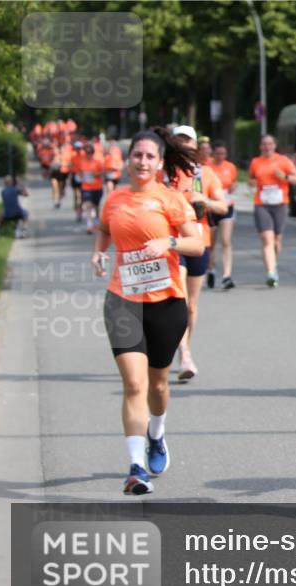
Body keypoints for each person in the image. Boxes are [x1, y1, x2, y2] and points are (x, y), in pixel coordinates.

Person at [90, 127, 206, 495]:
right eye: (137, 155)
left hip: (166, 304)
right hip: (122, 301)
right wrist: (98, 252)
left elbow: (197, 244)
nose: (142, 161)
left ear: (159, 163)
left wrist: (168, 242)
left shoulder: (171, 199)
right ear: (128, 160)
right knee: (134, 384)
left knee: (157, 384)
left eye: (149, 156)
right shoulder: (114, 199)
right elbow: (104, 228)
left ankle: (157, 434)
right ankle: (136, 468)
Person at [168, 125, 228, 381]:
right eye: (179, 140)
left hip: (199, 241)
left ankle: (186, 348)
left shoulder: (205, 173)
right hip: (174, 241)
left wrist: (205, 201)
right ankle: (184, 355)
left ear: (195, 145)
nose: (184, 145)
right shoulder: (164, 172)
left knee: (192, 306)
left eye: (188, 140)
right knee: (180, 300)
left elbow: (223, 206)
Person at [248, 134, 296, 287]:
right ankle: (271, 273)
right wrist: (254, 182)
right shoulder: (256, 162)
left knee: (277, 241)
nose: (267, 147)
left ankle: (273, 264)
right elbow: (250, 180)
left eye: (270, 144)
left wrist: (284, 176)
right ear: (260, 146)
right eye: (264, 144)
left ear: (274, 146)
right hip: (262, 204)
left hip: (280, 204)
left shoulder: (283, 160)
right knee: (267, 239)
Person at [206, 140, 238, 289]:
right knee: (211, 244)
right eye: (218, 154)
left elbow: (233, 182)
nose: (220, 156)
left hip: (227, 206)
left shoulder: (230, 167)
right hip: (211, 208)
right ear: (213, 153)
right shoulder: (207, 167)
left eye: (223, 154)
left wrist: (233, 187)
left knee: (226, 240)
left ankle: (227, 275)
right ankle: (211, 269)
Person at [75, 143, 106, 234]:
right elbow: (78, 172)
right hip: (86, 187)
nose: (88, 154)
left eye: (90, 152)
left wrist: (96, 174)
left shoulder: (97, 162)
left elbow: (103, 173)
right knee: (88, 205)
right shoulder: (81, 162)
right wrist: (80, 176)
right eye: (87, 152)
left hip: (97, 187)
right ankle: (89, 224)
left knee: (96, 206)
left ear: (93, 153)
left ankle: (96, 220)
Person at [50, 134, 73, 209]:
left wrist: (62, 164)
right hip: (54, 172)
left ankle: (59, 199)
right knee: (55, 186)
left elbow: (70, 164)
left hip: (62, 173)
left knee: (60, 188)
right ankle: (56, 201)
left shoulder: (67, 153)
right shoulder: (54, 151)